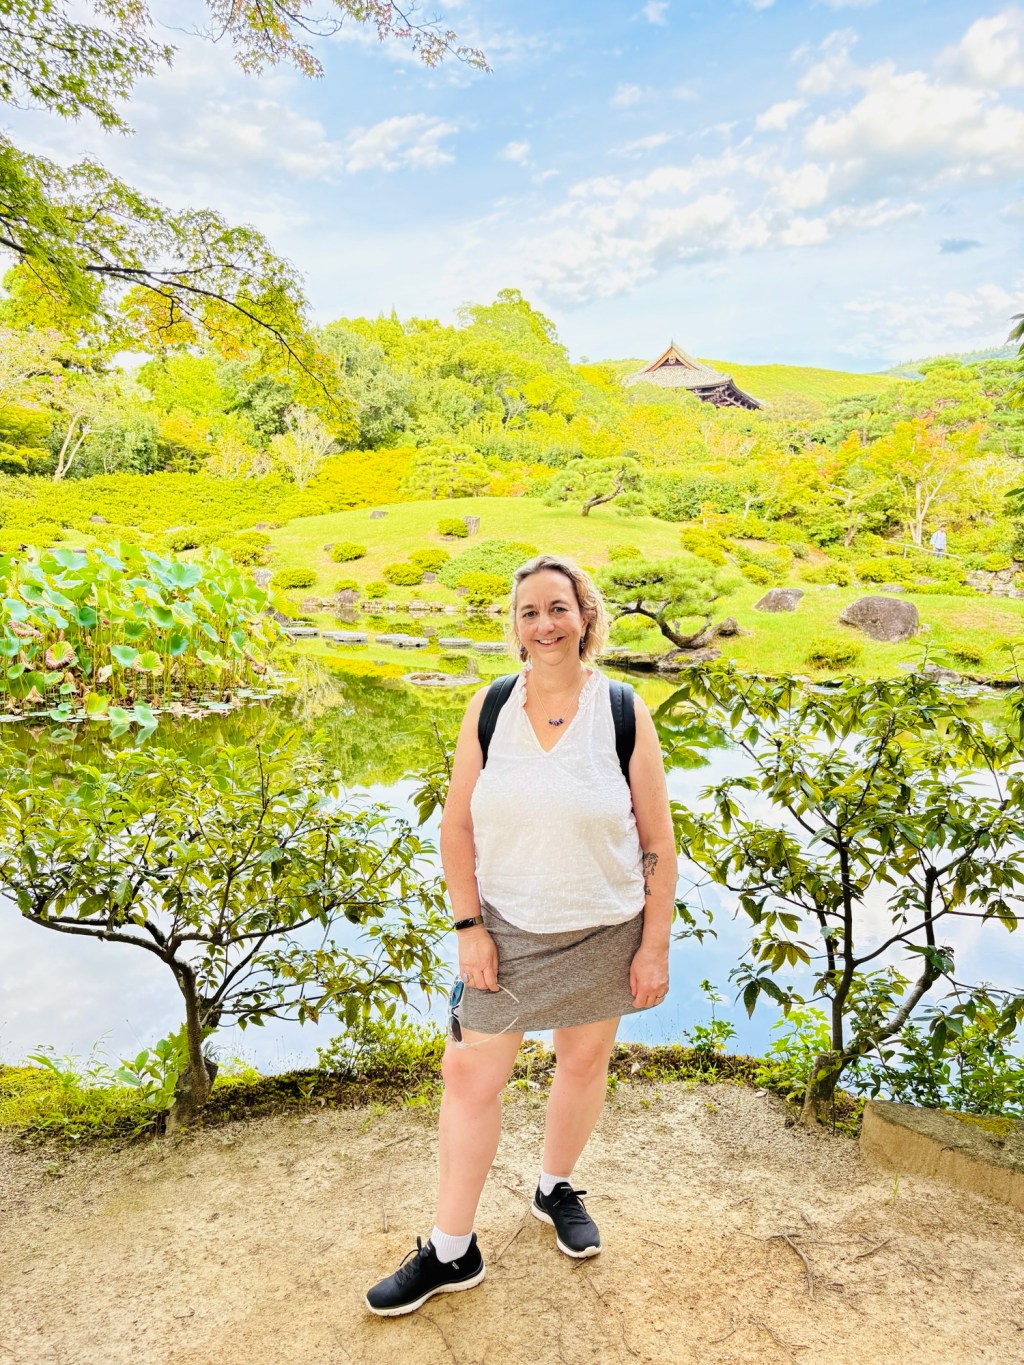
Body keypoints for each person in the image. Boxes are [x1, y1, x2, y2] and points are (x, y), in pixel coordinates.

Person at [365, 553, 676, 1317]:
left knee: (581, 1058)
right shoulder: (492, 705)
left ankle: (553, 1185)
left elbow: (659, 839)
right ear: (517, 625)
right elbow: (457, 824)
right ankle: (450, 1249)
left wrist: (653, 943)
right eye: (529, 611)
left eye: (558, 608)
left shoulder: (625, 709)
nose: (544, 623)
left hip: (604, 922)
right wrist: (469, 925)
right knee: (470, 1076)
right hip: (503, 925)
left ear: (585, 618)